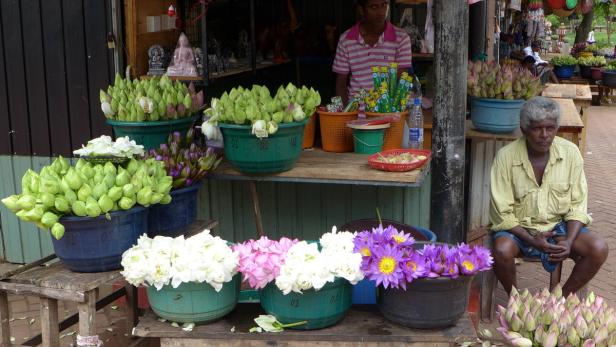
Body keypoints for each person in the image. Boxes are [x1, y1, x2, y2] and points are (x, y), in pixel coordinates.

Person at [490, 97, 608, 298]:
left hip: (559, 227)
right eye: (537, 128)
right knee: (501, 251)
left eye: (550, 128)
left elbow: (578, 205)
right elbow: (502, 213)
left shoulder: (570, 153)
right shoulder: (506, 157)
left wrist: (569, 241)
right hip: (520, 229)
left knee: (599, 248)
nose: (545, 135)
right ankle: (516, 299)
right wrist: (532, 240)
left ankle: (560, 299)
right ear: (524, 129)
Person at [333, 0, 413, 104]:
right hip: (356, 111)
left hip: (387, 110)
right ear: (361, 10)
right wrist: (345, 113)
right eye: (374, 7)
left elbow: (401, 82)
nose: (381, 12)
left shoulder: (401, 38)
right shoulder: (346, 40)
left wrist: (394, 113)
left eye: (384, 5)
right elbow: (341, 84)